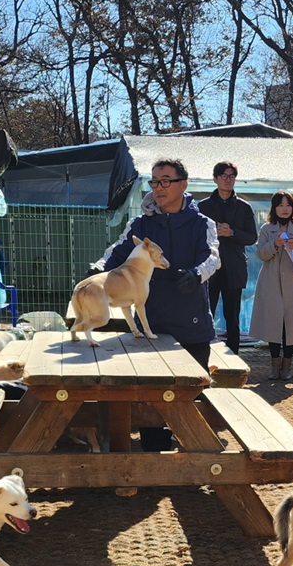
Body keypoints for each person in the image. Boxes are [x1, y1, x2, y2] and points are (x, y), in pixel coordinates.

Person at [92, 157, 219, 451]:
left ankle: (195, 455)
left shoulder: (202, 223)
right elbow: (117, 250)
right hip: (152, 322)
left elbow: (213, 257)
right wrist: (98, 269)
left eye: (165, 181)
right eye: (154, 181)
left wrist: (196, 274)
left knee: (192, 395)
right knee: (150, 395)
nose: (158, 187)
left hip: (191, 323)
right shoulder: (141, 223)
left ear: (183, 184)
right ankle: (153, 453)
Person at [250, 190, 293, 381]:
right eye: (280, 205)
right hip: (271, 283)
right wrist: (275, 244)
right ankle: (274, 366)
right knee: (273, 324)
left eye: (288, 205)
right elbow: (261, 254)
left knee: (290, 325)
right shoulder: (266, 229)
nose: (284, 209)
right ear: (274, 208)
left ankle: (287, 366)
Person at [197, 161, 258, 354]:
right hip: (210, 267)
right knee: (206, 313)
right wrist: (214, 233)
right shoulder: (203, 206)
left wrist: (232, 232)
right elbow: (196, 236)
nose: (228, 179)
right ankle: (203, 353)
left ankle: (234, 358)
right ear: (215, 179)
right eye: (223, 176)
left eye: (231, 176)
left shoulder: (243, 207)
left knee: (233, 317)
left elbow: (252, 237)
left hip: (234, 267)